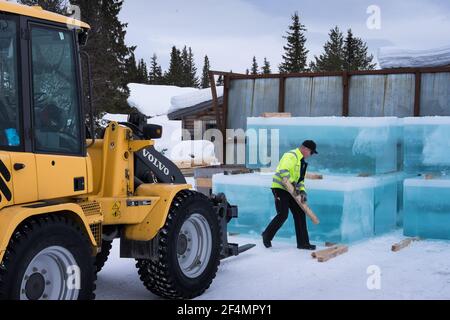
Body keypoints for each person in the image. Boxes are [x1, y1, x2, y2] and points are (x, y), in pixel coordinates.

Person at [262, 140, 318, 250]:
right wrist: (293, 184)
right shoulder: (291, 156)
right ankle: (266, 235)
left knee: (300, 213)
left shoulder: (302, 163)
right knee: (283, 214)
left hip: (292, 190)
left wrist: (302, 191)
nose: (311, 155)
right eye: (311, 152)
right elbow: (284, 171)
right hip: (280, 188)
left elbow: (301, 180)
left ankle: (303, 243)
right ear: (305, 149)